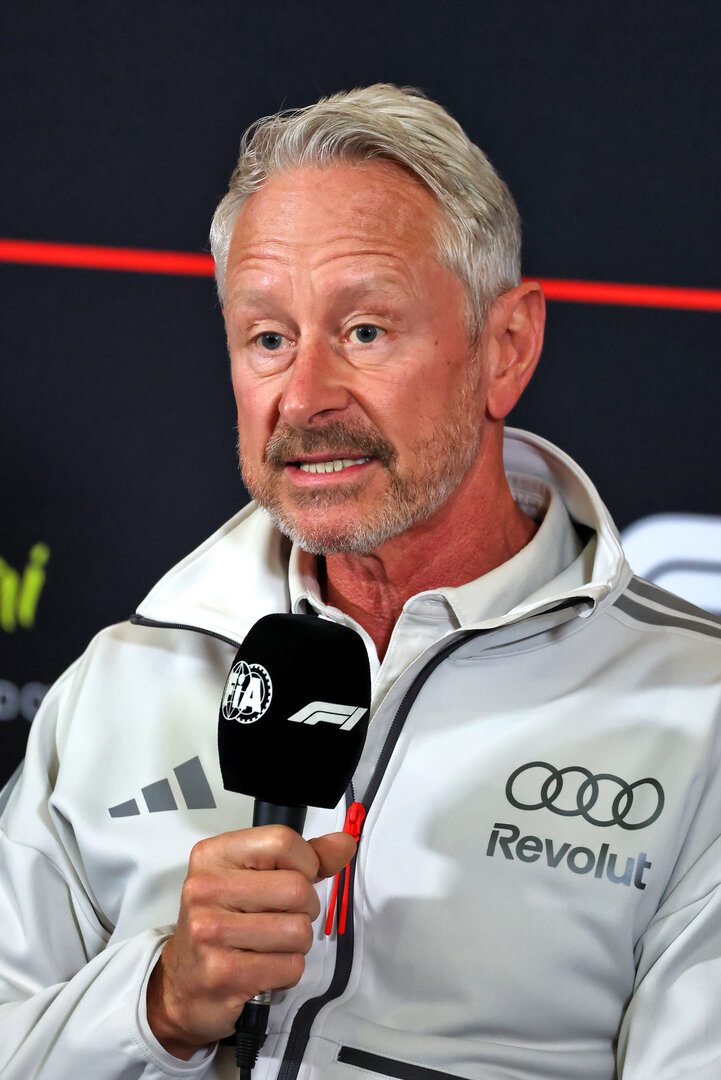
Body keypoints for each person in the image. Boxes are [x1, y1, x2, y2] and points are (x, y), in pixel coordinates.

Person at [1, 84, 721, 1080]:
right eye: (268, 338)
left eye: (365, 332)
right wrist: (157, 1006)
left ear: (505, 349)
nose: (304, 398)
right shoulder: (122, 677)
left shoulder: (697, 710)